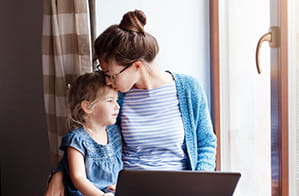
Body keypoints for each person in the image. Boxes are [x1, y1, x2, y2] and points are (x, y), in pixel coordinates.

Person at [44, 9, 216, 196]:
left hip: (179, 189)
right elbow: (90, 138)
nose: (107, 81)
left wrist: (199, 184)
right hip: (128, 190)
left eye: (111, 74)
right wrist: (60, 173)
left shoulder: (189, 89)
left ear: (136, 66)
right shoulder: (116, 97)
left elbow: (206, 143)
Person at [57, 72, 122, 196]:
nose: (117, 106)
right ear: (87, 107)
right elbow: (78, 178)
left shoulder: (115, 133)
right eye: (110, 101)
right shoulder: (77, 140)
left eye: (116, 100)